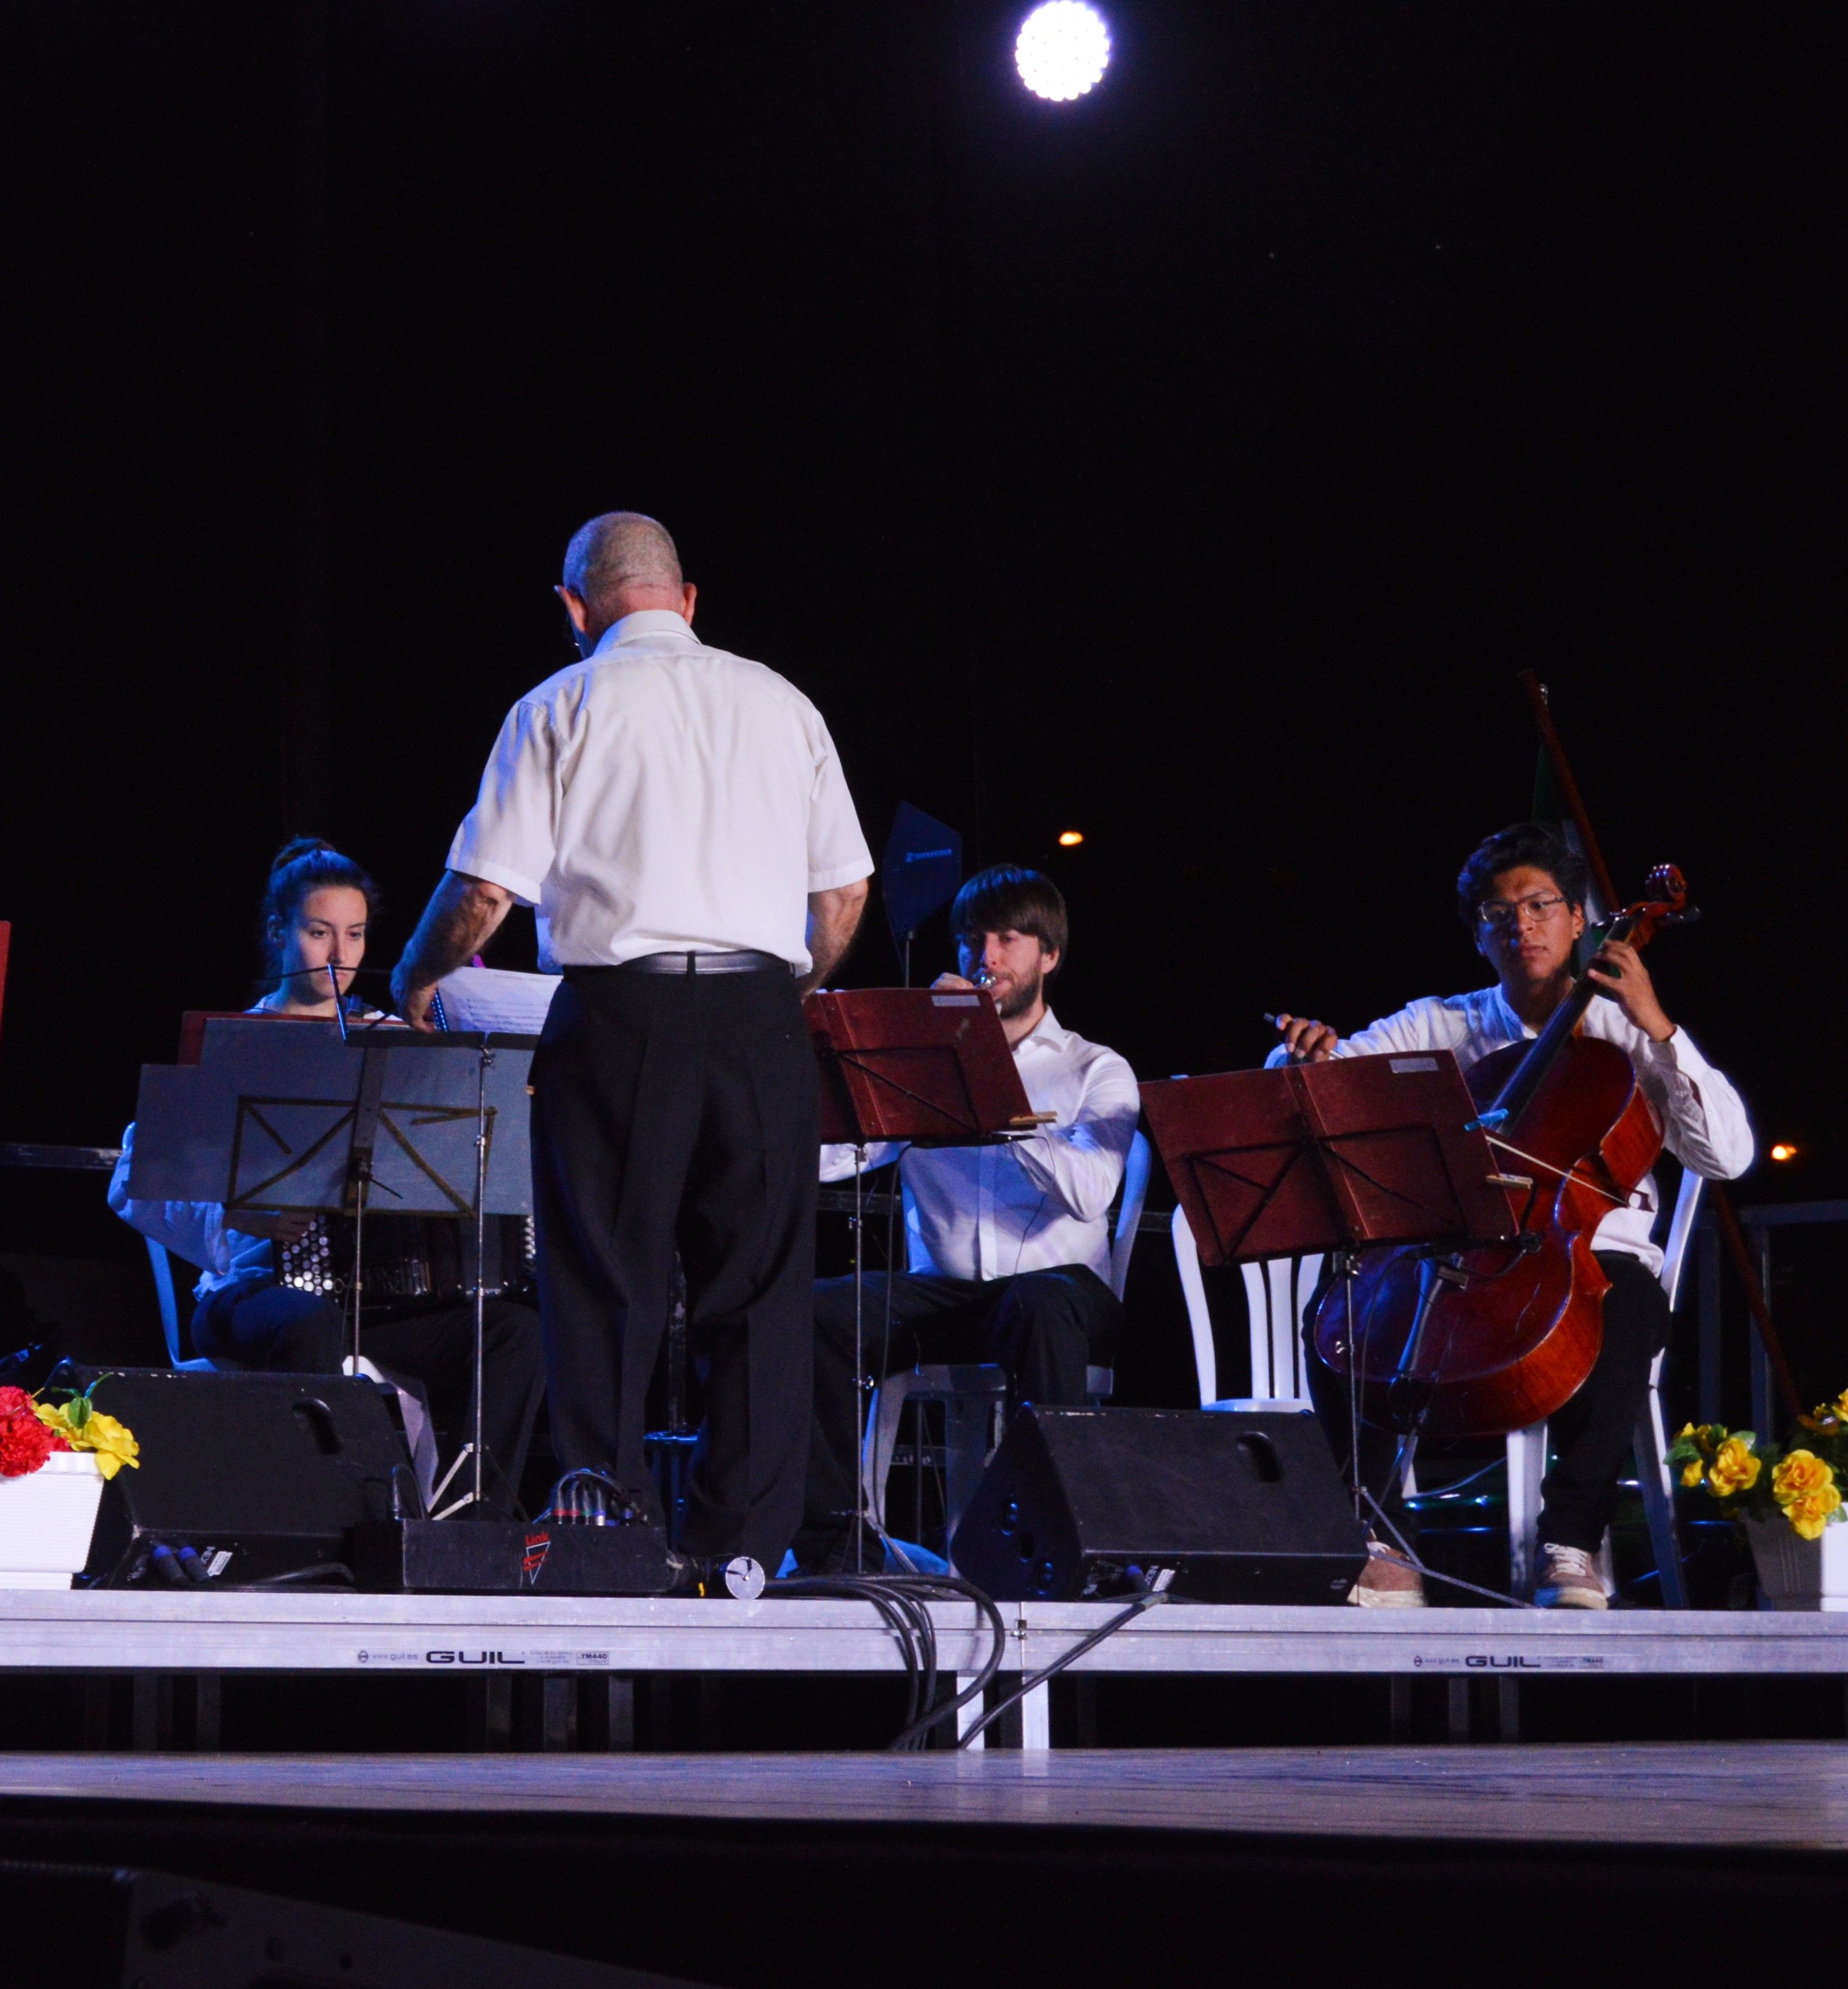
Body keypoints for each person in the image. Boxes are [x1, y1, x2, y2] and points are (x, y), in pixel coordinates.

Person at [391, 514, 872, 1572]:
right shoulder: (782, 701)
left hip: (619, 1014)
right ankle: (739, 1553)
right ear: (686, 599)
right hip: (758, 1017)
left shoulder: (561, 702)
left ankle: (609, 1529)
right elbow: (843, 891)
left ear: (574, 609)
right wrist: (783, 986)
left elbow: (483, 890)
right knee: (759, 1287)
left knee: (605, 1277)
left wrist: (417, 972)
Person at [1273, 820, 1752, 1609]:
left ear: (1578, 919)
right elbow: (1332, 1077)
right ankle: (1382, 1539)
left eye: (1539, 906)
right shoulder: (1444, 1024)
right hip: (1461, 1256)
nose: (1522, 926)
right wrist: (1306, 1058)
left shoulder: (1626, 1028)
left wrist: (1657, 1024)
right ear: (1479, 937)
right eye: (1501, 915)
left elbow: (1728, 1155)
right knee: (1344, 1314)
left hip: (1590, 1258)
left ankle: (1571, 1542)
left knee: (1630, 1303)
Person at [110, 840, 546, 1511]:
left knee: (515, 1333)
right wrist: (230, 1213)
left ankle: (474, 1523)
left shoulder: (393, 1036)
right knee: (310, 1323)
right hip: (253, 1294)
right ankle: (334, 1514)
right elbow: (136, 1173)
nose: (340, 953)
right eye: (319, 933)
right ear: (279, 933)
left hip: (380, 1300)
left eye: (355, 933)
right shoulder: (239, 1040)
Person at [796, 864, 1139, 1570]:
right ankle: (835, 1543)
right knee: (813, 1315)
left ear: (1048, 955)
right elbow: (836, 1162)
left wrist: (989, 1085)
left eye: (1007, 939)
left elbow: (1092, 1190)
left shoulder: (1095, 1068)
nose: (983, 959)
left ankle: (1054, 1545)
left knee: (1041, 1302)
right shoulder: (918, 1063)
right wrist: (859, 1074)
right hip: (950, 1295)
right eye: (971, 939)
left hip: (1063, 1295)